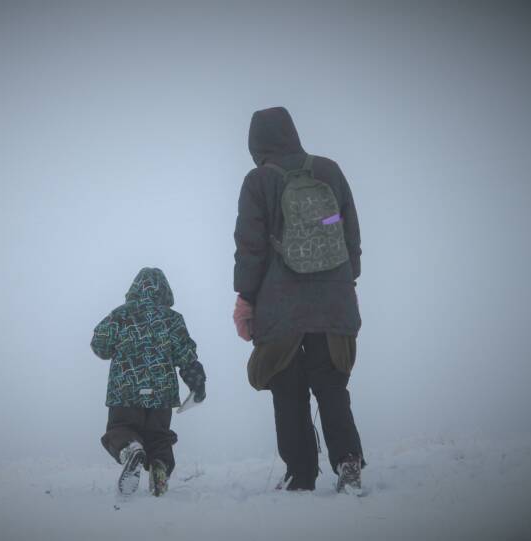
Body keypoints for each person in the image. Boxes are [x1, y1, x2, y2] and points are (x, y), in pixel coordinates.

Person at [233, 107, 365, 494]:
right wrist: (347, 280)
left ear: (255, 143)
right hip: (333, 301)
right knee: (331, 386)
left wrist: (245, 299)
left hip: (280, 307)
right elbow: (350, 233)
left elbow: (250, 247)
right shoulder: (329, 171)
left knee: (287, 390)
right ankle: (348, 461)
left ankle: (300, 475)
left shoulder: (258, 181)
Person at [91, 267, 206, 496]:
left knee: (121, 428)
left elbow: (99, 344)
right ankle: (160, 468)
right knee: (159, 437)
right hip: (161, 394)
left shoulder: (120, 315)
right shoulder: (172, 319)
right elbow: (186, 354)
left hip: (125, 391)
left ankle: (129, 449)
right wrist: (196, 381)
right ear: (165, 292)